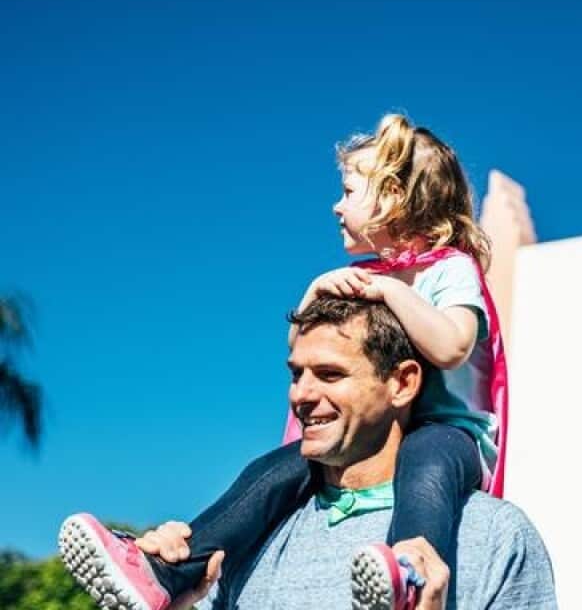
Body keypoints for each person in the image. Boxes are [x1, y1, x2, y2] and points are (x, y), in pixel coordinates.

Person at [60, 113, 508, 610]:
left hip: (451, 435)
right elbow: (303, 345)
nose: (337, 206)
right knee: (273, 469)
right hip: (394, 430)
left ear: (393, 197)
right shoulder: (363, 275)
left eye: (349, 191)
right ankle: (171, 572)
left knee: (425, 464)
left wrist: (388, 292)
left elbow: (451, 348)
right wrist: (315, 289)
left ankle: (413, 573)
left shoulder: (451, 270)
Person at [69, 296, 555, 609]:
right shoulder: (253, 536)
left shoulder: (494, 536)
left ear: (402, 383)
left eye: (329, 374)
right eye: (295, 374)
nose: (300, 395)